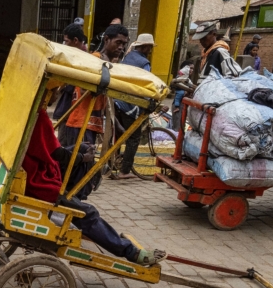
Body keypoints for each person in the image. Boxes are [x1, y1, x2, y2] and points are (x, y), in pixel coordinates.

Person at [22, 108, 166, 265]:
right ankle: (130, 252)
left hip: (35, 170)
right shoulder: (38, 114)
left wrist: (81, 153)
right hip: (39, 182)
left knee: (82, 148)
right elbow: (57, 154)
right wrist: (82, 158)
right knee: (88, 213)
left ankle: (74, 202)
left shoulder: (28, 110)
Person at [63, 24, 129, 148]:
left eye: (124, 44)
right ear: (106, 39)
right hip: (81, 123)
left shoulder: (106, 63)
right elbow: (84, 90)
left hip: (89, 124)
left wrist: (117, 125)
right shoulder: (95, 60)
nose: (121, 47)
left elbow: (104, 103)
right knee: (81, 159)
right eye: (118, 42)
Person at [114, 33, 155, 179]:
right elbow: (146, 84)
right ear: (145, 47)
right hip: (130, 105)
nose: (150, 50)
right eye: (149, 47)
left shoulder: (128, 57)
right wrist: (151, 100)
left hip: (118, 100)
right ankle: (125, 171)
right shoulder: (144, 63)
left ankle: (112, 164)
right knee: (133, 138)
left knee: (119, 135)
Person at [53, 23, 88, 146]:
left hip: (73, 108)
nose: (65, 44)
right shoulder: (74, 56)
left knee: (65, 143)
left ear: (75, 41)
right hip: (68, 105)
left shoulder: (84, 59)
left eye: (66, 41)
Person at [170, 60, 196, 132]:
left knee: (181, 128)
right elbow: (173, 83)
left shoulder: (188, 80)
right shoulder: (179, 79)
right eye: (190, 68)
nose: (191, 70)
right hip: (178, 107)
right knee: (177, 129)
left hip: (183, 106)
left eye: (192, 69)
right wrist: (190, 89)